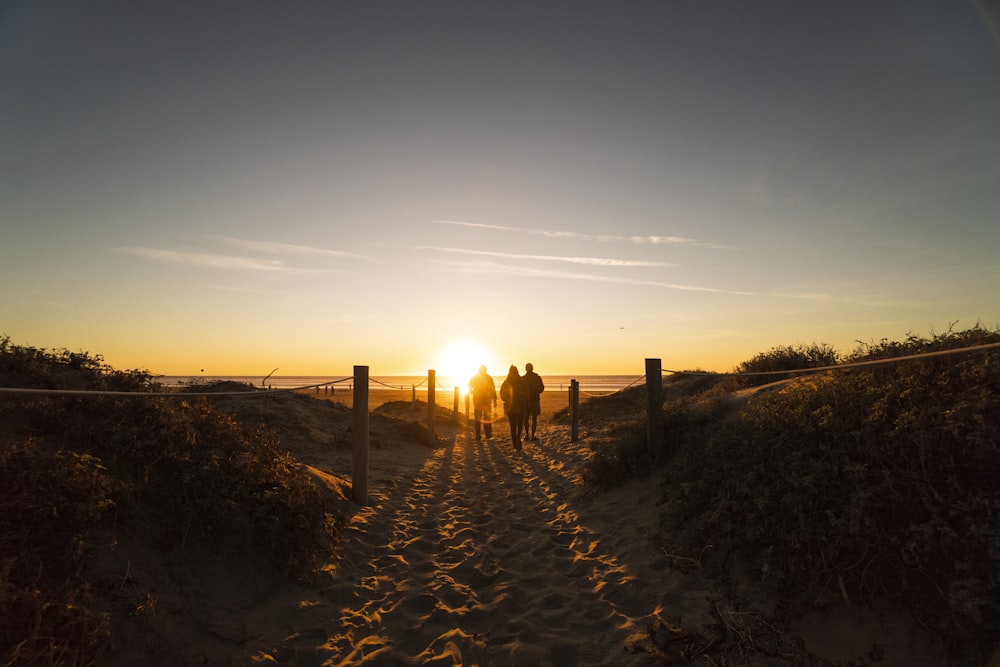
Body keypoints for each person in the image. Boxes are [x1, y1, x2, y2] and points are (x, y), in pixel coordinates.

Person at [499, 364, 528, 451]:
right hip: (521, 406)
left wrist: (506, 400)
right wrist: (525, 403)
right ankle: (518, 438)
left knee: (512, 426)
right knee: (520, 425)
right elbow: (527, 393)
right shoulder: (522, 381)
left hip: (510, 407)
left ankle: (514, 443)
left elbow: (502, 394)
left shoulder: (507, 381)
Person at [468, 365, 497, 441]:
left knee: (479, 418)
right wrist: (495, 400)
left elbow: (469, 385)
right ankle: (487, 434)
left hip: (479, 400)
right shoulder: (488, 378)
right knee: (486, 418)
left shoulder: (475, 377)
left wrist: (471, 391)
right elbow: (492, 389)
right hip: (485, 401)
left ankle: (478, 435)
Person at [522, 362, 545, 441]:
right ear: (532, 368)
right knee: (534, 419)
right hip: (534, 400)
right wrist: (537, 391)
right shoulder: (536, 377)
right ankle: (532, 435)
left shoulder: (523, 378)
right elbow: (542, 388)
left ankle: (527, 435)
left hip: (526, 401)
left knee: (526, 418)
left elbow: (519, 390)